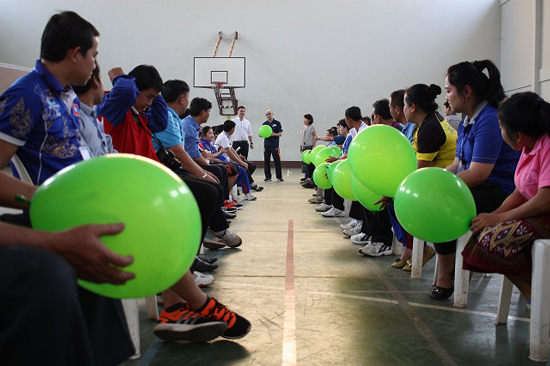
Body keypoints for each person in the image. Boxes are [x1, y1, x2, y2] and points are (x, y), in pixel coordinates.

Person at [0, 11, 136, 365]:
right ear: (75, 54)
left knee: (100, 244)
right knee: (72, 258)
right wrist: (43, 199)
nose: (94, 66)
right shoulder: (25, 95)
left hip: (82, 201)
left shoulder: (66, 97)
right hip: (53, 207)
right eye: (93, 56)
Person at [430, 60, 521, 300]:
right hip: (480, 185)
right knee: (435, 198)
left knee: (443, 206)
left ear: (467, 91)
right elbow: (457, 164)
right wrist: (435, 180)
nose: (447, 97)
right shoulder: (468, 120)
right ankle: (450, 268)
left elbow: (480, 172)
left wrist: (442, 190)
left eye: (449, 90)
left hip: (503, 192)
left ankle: (447, 273)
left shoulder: (489, 118)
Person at [462, 92, 550, 305]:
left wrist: (500, 219)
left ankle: (538, 297)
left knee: (494, 241)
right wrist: (492, 215)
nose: (500, 132)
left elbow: (544, 200)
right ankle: (534, 295)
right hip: (538, 213)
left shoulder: (546, 146)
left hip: (546, 214)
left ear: (518, 135)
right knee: (481, 235)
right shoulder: (528, 148)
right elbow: (521, 191)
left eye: (501, 128)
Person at [262, 110, 284, 181]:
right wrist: (261, 134)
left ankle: (279, 177)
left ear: (272, 114)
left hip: (275, 145)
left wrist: (273, 134)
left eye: (269, 114)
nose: (268, 115)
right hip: (267, 145)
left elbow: (280, 134)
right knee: (266, 161)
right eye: (267, 114)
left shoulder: (277, 123)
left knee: (277, 161)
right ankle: (267, 177)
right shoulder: (264, 124)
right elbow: (261, 133)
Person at [300, 114, 317, 182]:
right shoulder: (303, 127)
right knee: (304, 162)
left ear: (309, 120)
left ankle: (309, 176)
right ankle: (305, 176)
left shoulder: (312, 127)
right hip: (304, 146)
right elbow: (301, 137)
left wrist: (313, 146)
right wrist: (300, 145)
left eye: (305, 119)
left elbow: (315, 137)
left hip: (309, 146)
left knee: (309, 162)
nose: (304, 120)